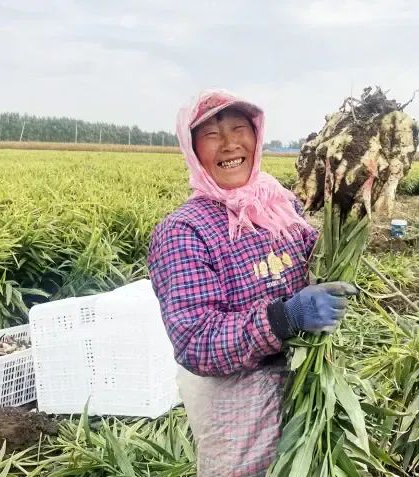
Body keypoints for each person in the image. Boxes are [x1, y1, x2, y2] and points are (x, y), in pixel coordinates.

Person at [146, 89, 357, 477]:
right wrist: (285, 317)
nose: (229, 144)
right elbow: (196, 341)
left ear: (256, 137)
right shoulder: (185, 231)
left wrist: (349, 213)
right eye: (211, 135)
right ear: (192, 150)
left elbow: (317, 263)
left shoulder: (279, 205)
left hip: (301, 379)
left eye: (238, 128)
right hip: (234, 397)